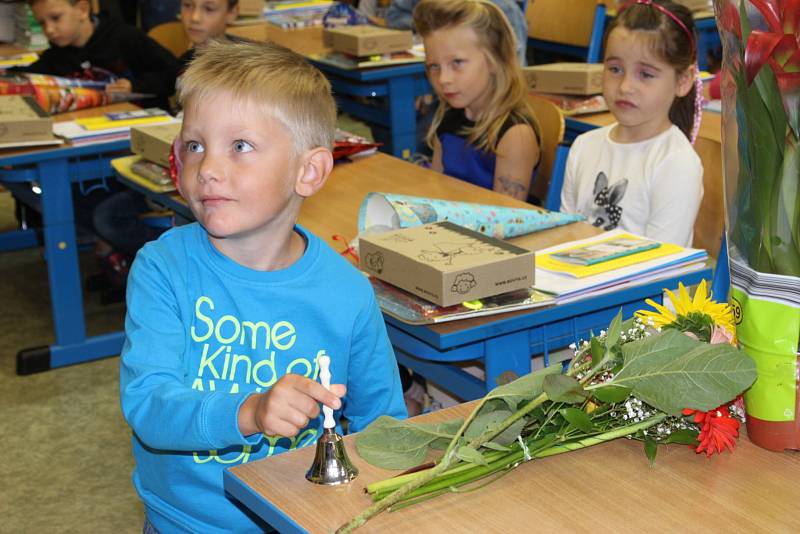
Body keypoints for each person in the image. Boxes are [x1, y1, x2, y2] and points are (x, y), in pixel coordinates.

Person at [119, 39, 406, 533]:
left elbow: (383, 424)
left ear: (308, 170)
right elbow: (149, 405)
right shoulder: (163, 267)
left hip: (303, 519)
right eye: (194, 145)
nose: (207, 167)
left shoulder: (347, 292)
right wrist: (250, 411)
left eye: (240, 146)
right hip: (185, 522)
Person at [560, 0, 704, 247]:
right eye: (615, 69)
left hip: (644, 285)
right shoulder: (583, 146)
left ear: (683, 80)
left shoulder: (676, 163)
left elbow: (659, 267)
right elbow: (563, 239)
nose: (625, 86)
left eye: (646, 74)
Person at [413, 0, 541, 201]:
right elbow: (435, 192)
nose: (443, 79)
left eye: (457, 63)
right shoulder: (447, 118)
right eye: (434, 66)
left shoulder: (515, 135)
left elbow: (507, 219)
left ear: (495, 60)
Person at [17, 0, 179, 110]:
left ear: (82, 9)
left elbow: (175, 73)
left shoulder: (126, 37)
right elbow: (24, 78)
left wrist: (135, 86)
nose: (49, 29)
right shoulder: (55, 55)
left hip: (142, 128)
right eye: (42, 23)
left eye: (55, 18)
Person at [387, 0, 528, 65]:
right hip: (430, 71)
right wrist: (428, 23)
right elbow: (393, 17)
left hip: (485, 101)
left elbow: (513, 71)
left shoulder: (502, 9)